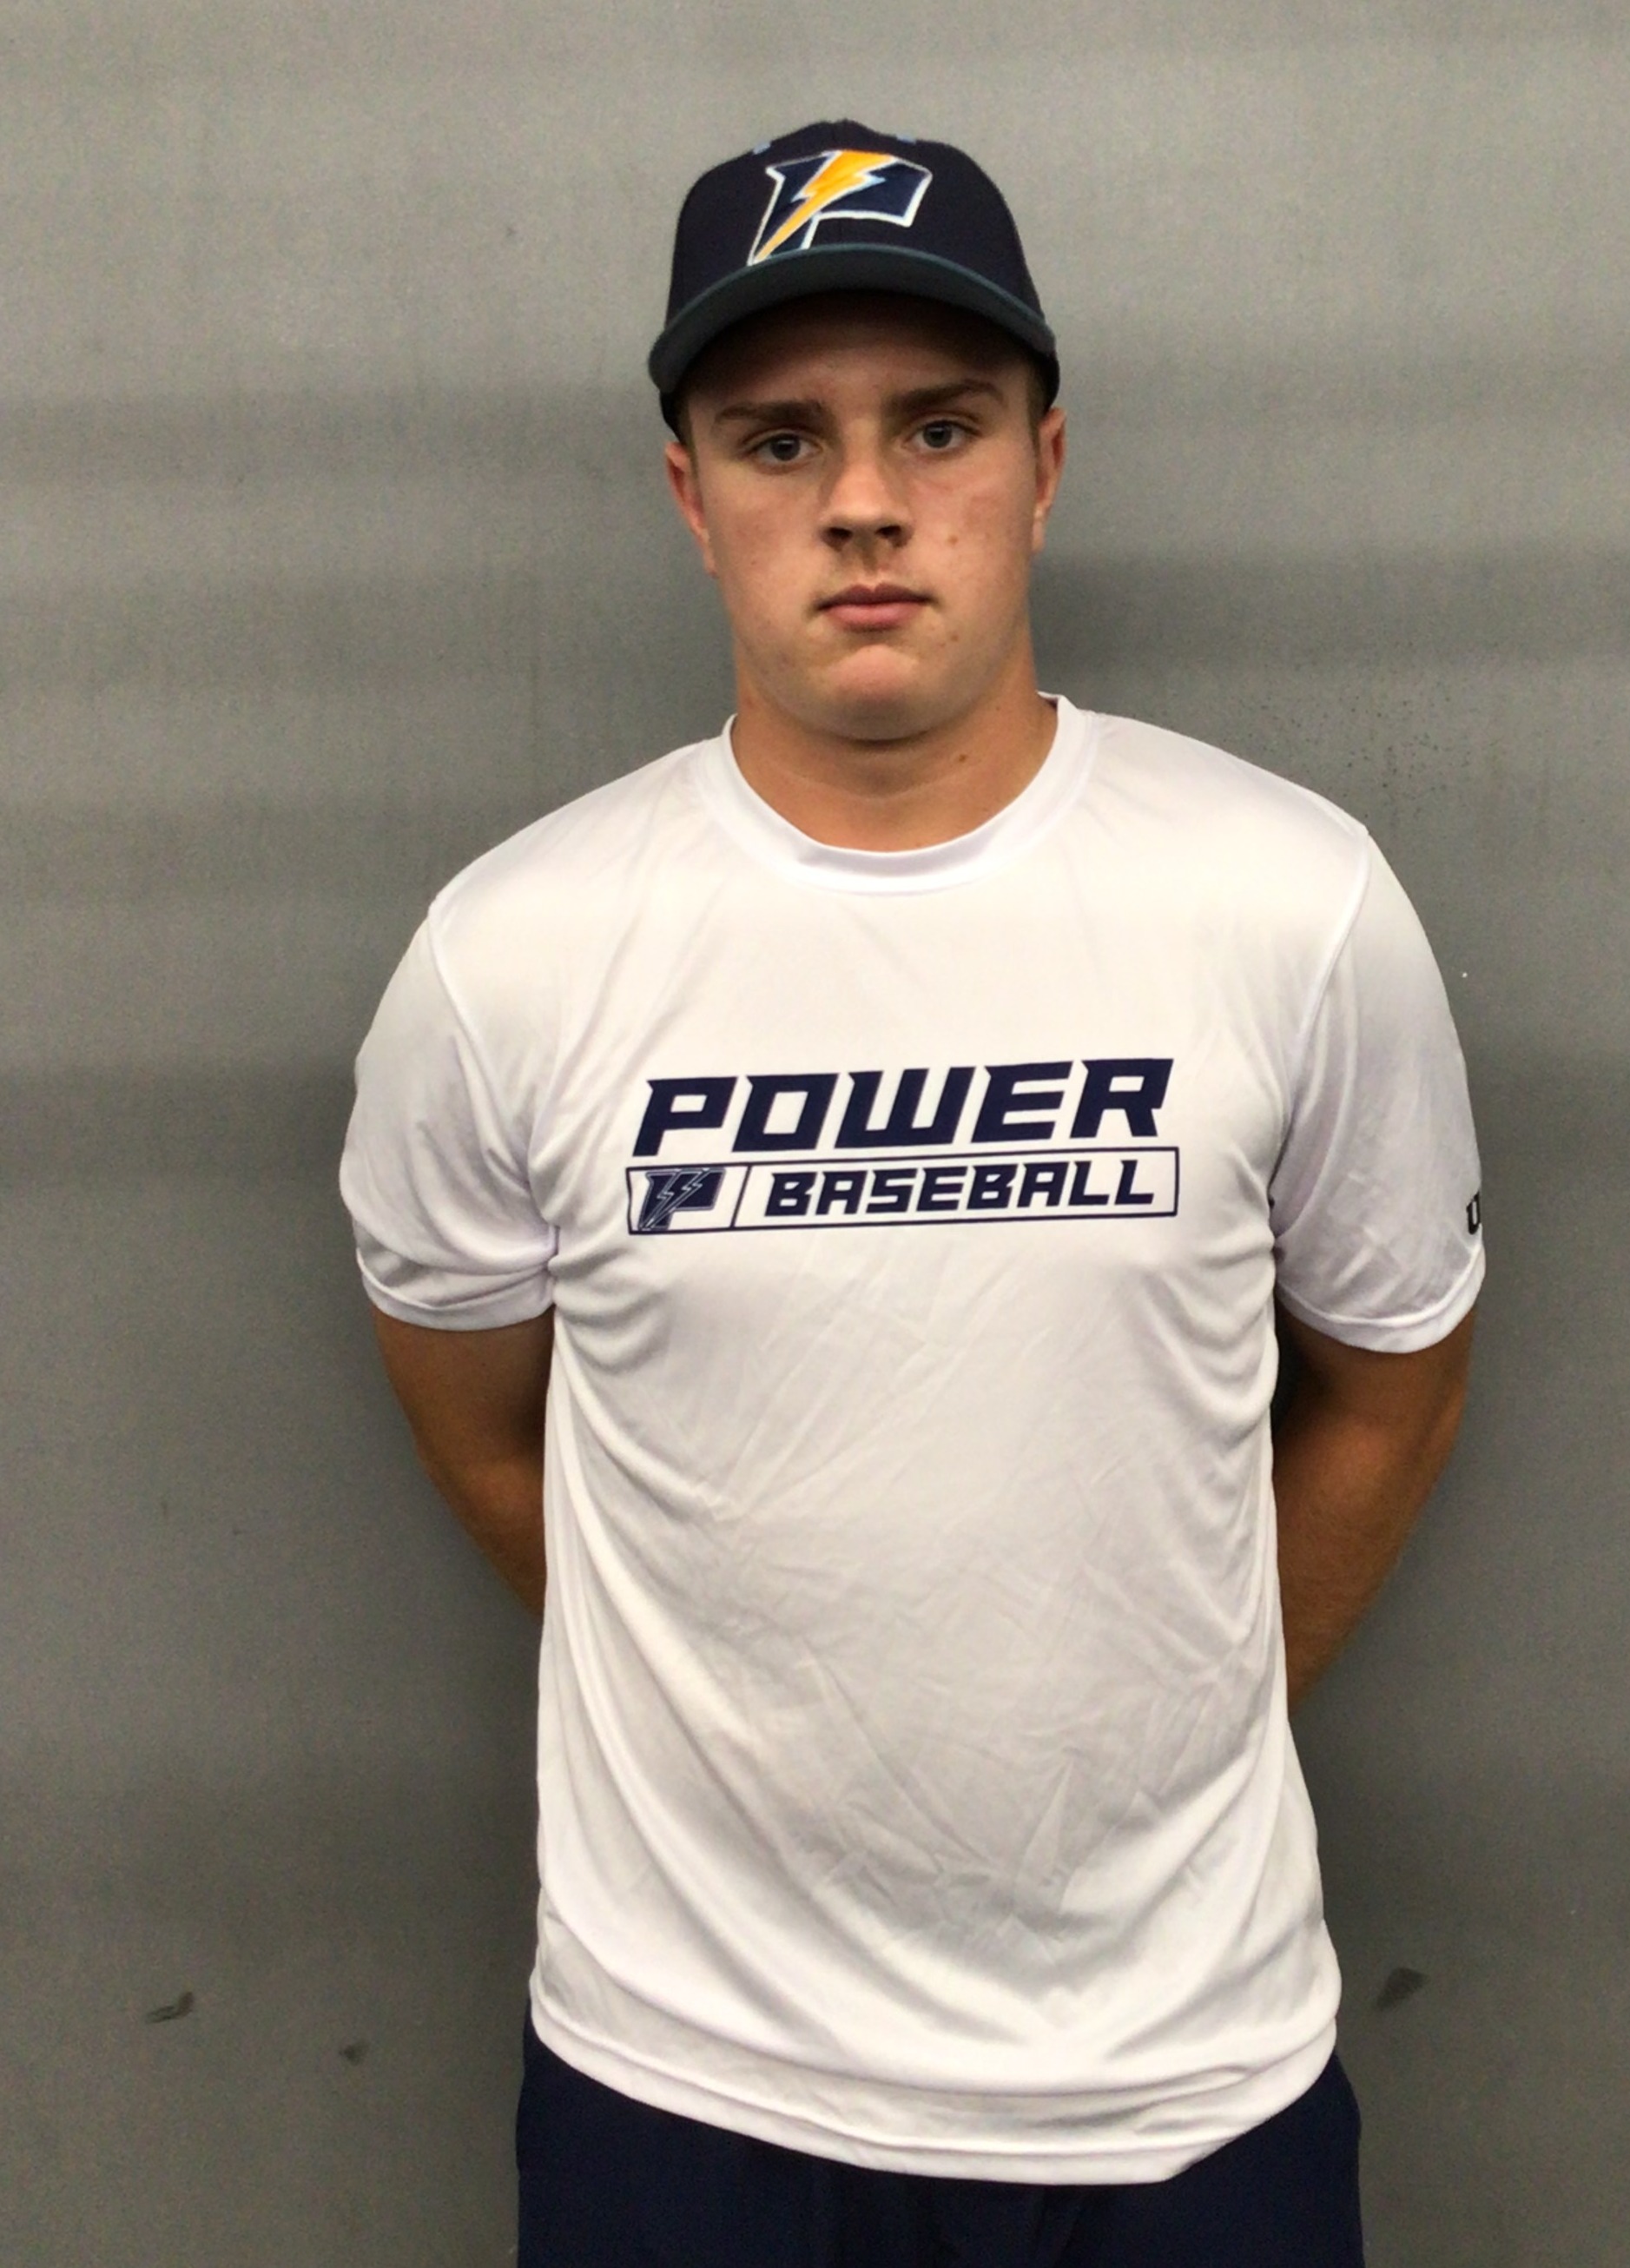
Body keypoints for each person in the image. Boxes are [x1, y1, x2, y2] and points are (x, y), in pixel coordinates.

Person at [340, 121, 1482, 2268]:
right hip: (686, 2083)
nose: (862, 501)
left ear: (1043, 466)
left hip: (1181, 2083)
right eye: (779, 439)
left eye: (936, 427)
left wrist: (1166, 1716)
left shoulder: (1291, 904)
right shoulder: (509, 959)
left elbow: (1392, 1380)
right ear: (689, 496)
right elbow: (487, 1429)